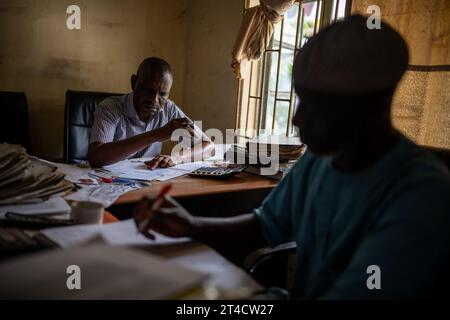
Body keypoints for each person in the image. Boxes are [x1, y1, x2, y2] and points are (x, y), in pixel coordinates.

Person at [134, 15, 450, 299]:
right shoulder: (318, 161)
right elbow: (264, 226)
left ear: (374, 107)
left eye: (317, 105)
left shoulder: (421, 192)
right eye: (301, 101)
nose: (298, 120)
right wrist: (192, 226)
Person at [88, 57, 214, 168]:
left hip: (147, 180)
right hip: (108, 182)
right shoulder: (110, 108)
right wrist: (155, 135)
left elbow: (208, 146)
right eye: (148, 91)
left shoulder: (168, 109)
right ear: (133, 82)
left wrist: (176, 158)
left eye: (162, 94)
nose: (154, 100)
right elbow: (96, 158)